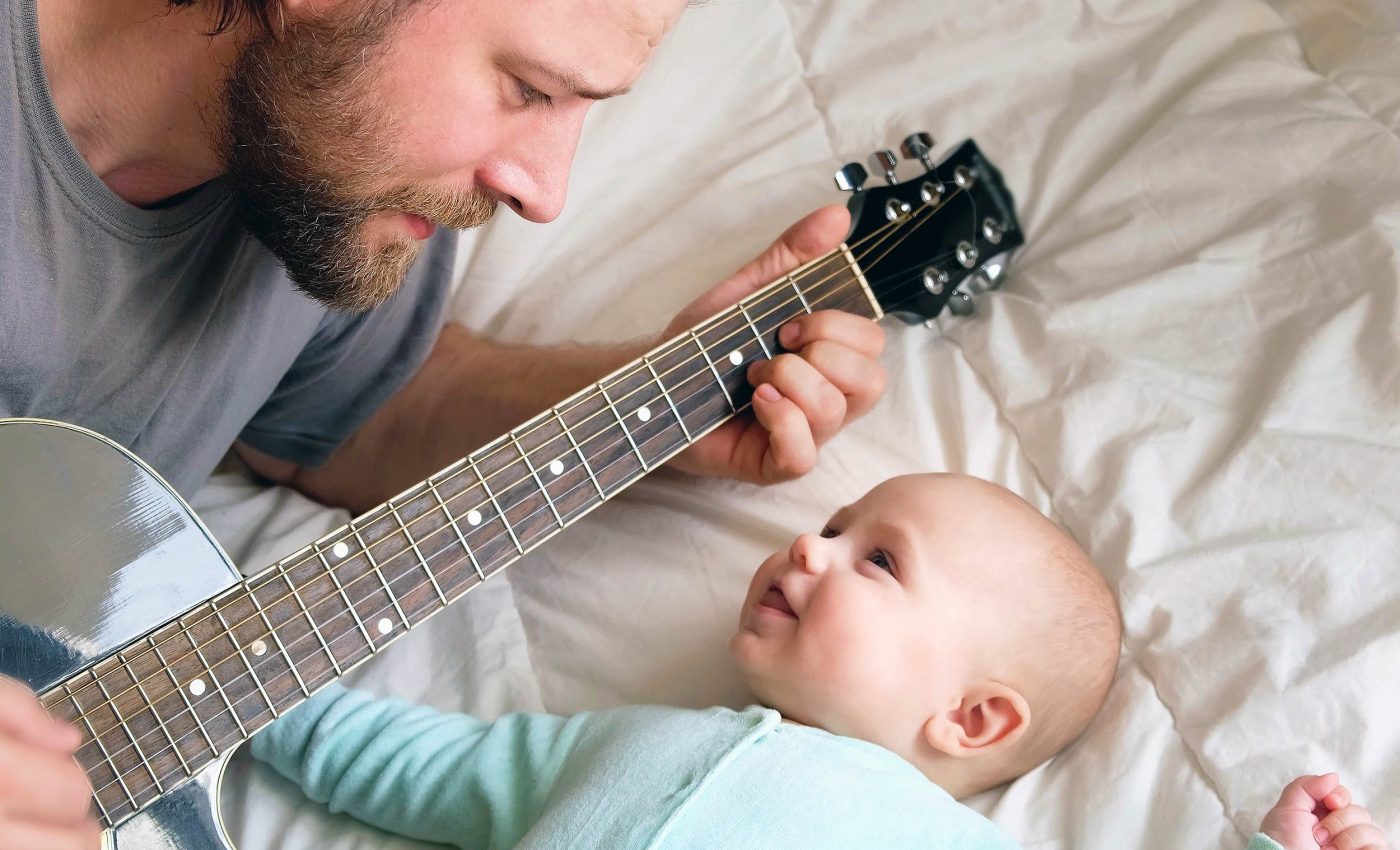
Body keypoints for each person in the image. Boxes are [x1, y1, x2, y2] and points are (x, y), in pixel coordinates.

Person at [0, 0, 889, 844]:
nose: (545, 192)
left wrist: (654, 404)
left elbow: (360, 419)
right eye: (530, 90)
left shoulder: (329, 171)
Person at [250, 473, 1123, 847]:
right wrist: (252, 694)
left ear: (971, 719)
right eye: (830, 527)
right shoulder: (610, 741)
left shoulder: (931, 837)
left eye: (880, 560)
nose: (808, 547)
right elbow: (419, 766)